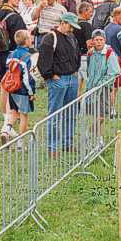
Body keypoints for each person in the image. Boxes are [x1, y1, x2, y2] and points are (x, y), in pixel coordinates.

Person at [37, 12, 81, 158]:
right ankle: (52, 147)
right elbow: (43, 60)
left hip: (71, 78)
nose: (71, 29)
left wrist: (75, 70)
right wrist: (50, 75)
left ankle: (67, 143)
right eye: (70, 26)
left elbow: (76, 54)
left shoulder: (72, 37)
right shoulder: (50, 38)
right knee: (55, 114)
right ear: (62, 23)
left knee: (71, 113)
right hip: (58, 80)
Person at [0, 0, 27, 141]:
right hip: (13, 59)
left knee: (4, 88)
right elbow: (22, 42)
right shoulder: (15, 17)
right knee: (16, 91)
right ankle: (7, 126)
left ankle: (6, 122)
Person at [85, 29, 121, 149]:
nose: (99, 42)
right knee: (95, 114)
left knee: (102, 115)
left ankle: (89, 132)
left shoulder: (109, 53)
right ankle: (98, 139)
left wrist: (101, 84)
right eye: (96, 40)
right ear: (93, 41)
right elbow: (88, 70)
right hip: (91, 87)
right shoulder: (90, 53)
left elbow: (114, 72)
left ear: (105, 40)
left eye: (101, 40)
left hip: (103, 88)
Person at [4, 30, 36, 147]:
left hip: (12, 88)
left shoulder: (11, 54)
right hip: (23, 89)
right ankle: (20, 142)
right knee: (24, 115)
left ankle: (7, 129)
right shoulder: (27, 57)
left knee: (14, 112)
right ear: (26, 41)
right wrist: (31, 92)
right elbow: (27, 77)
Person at [104, 7, 121, 119]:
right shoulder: (120, 30)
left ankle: (112, 110)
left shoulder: (106, 28)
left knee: (113, 87)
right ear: (116, 16)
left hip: (110, 61)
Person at [73, 2, 94, 94]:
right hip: (85, 57)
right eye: (90, 11)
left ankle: (76, 104)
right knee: (89, 83)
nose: (91, 14)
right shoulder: (86, 25)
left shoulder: (73, 24)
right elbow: (89, 44)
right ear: (84, 12)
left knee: (77, 86)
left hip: (74, 58)